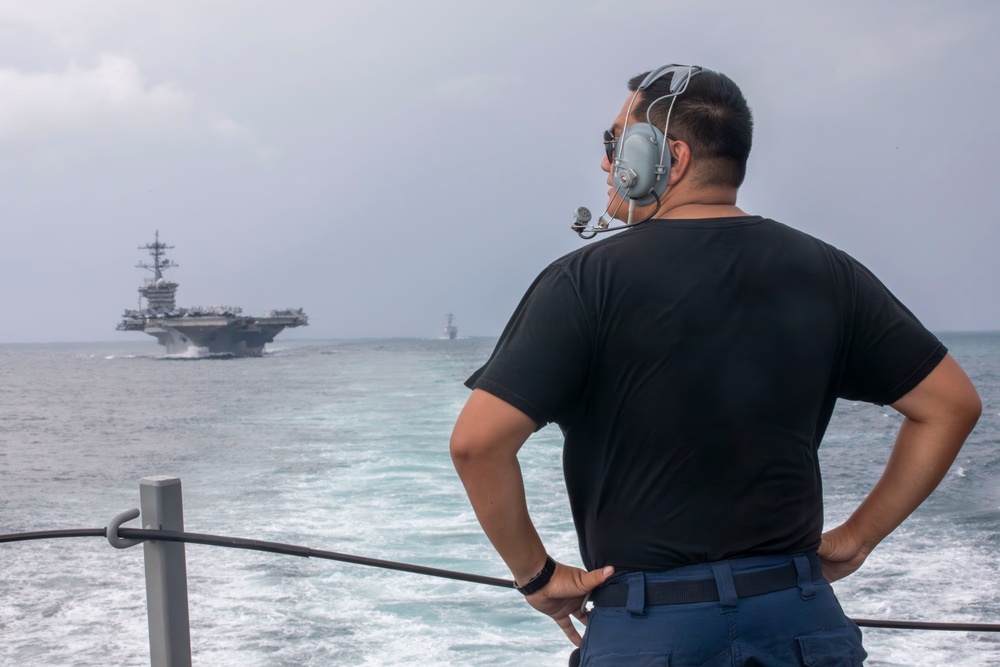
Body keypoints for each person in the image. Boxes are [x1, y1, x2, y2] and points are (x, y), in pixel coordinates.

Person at [450, 64, 981, 666]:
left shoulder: (583, 282)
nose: (604, 165)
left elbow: (477, 444)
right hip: (799, 617)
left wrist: (537, 576)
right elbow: (951, 405)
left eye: (614, 144)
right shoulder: (830, 271)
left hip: (653, 630)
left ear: (666, 157)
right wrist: (858, 540)